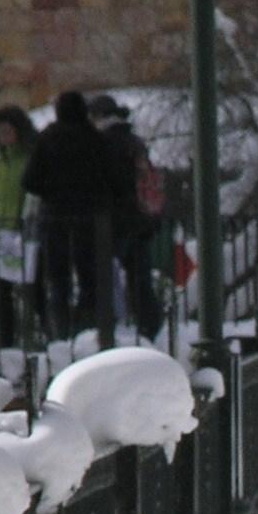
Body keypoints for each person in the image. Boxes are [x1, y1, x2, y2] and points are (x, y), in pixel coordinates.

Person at [24, 88, 118, 337]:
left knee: (58, 278)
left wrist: (52, 191)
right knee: (90, 276)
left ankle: (61, 330)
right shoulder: (95, 139)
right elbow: (111, 178)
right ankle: (88, 327)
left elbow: (30, 180)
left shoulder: (48, 138)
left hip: (54, 216)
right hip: (90, 217)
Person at [91, 93, 167, 341]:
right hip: (141, 219)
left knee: (107, 276)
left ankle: (113, 327)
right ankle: (150, 324)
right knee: (139, 276)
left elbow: (110, 184)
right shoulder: (133, 140)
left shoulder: (105, 144)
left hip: (117, 221)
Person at [0, 105, 39, 351]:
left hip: (27, 233)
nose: (3, 136)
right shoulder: (3, 164)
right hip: (5, 234)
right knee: (1, 291)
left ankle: (36, 337)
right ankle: (5, 340)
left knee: (33, 289)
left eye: (8, 131)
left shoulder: (28, 159)